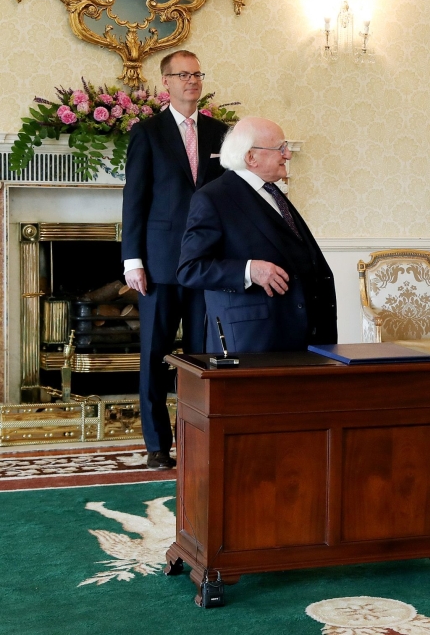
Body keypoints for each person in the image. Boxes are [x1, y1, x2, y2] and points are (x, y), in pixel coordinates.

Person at [122, 50, 228, 470]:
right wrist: (133, 260)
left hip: (208, 264)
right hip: (160, 264)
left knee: (205, 358)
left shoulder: (221, 134)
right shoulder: (147, 133)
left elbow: (231, 198)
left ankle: (200, 437)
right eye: (183, 74)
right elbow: (136, 200)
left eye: (197, 73)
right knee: (155, 355)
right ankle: (156, 445)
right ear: (165, 82)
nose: (192, 81)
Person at [177, 117, 337, 353]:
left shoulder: (272, 192)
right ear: (251, 157)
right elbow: (190, 269)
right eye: (281, 148)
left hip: (298, 339)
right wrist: (249, 270)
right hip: (253, 343)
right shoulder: (214, 198)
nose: (288, 155)